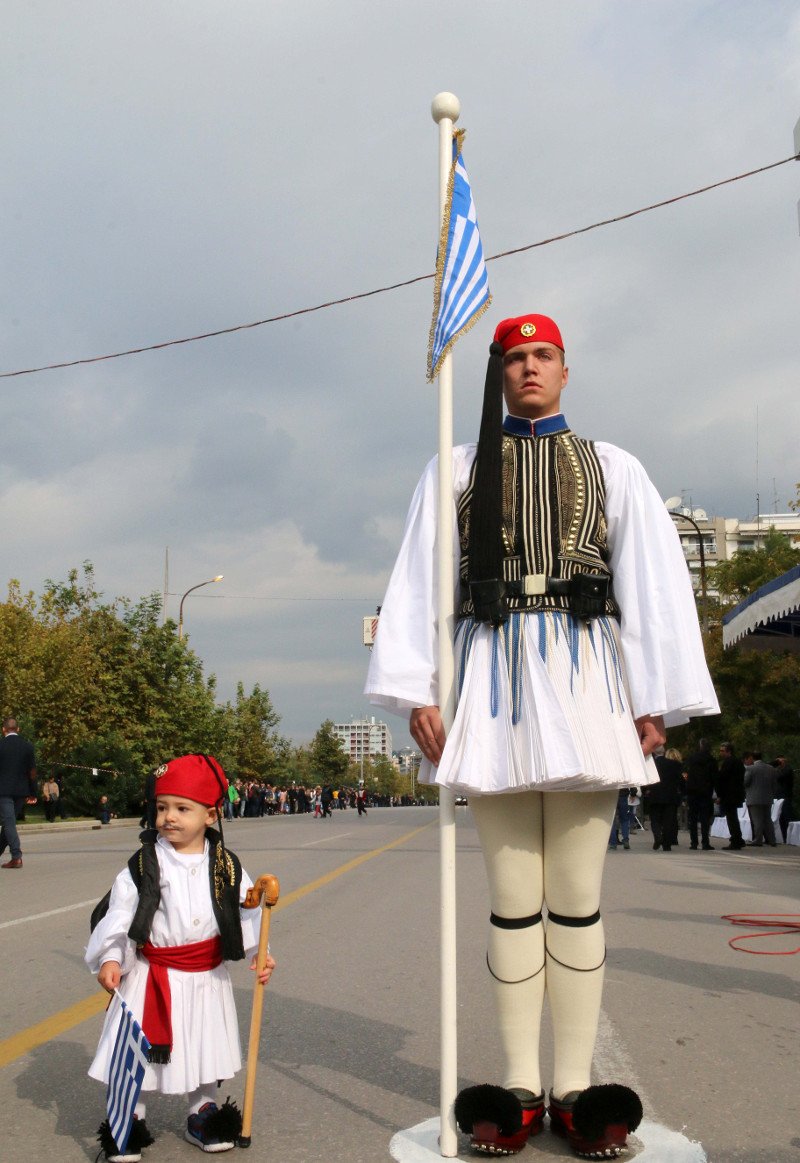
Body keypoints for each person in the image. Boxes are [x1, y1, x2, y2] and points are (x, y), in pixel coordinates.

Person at [366, 313, 718, 1158]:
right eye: (514, 357)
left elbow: (651, 583)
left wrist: (654, 698)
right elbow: (419, 578)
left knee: (576, 892)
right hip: (490, 680)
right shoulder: (456, 466)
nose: (529, 368)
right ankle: (520, 1088)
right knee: (514, 896)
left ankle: (577, 1087)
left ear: (566, 369)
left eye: (542, 356)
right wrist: (417, 685)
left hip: (588, 676)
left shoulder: (614, 467)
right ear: (497, 372)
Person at [85, 753, 276, 1161]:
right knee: (136, 1048)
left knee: (203, 1044)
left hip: (206, 976)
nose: (169, 817)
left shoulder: (225, 864)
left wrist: (261, 952)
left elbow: (247, 912)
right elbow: (120, 915)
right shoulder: (144, 864)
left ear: (210, 815)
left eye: (182, 809)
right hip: (153, 973)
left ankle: (202, 1110)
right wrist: (111, 958)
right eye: (162, 807)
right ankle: (128, 1117)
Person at [0, 716, 37, 869]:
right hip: (21, 792)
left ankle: (16, 857)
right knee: (9, 822)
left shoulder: (0, 745)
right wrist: (33, 792)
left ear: (3, 729)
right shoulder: (28, 746)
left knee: (8, 823)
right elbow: (32, 772)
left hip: (3, 791)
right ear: (18, 729)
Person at [684, 739, 717, 850]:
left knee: (693, 818)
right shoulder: (712, 760)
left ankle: (694, 842)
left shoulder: (692, 759)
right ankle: (705, 842)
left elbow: (687, 774)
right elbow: (715, 777)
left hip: (693, 791)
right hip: (706, 792)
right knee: (705, 818)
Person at [647, 748, 684, 851]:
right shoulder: (674, 764)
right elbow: (680, 780)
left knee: (655, 819)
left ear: (654, 752)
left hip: (655, 795)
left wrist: (646, 789)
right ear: (664, 752)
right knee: (668, 820)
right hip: (670, 796)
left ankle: (658, 836)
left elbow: (646, 778)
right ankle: (667, 844)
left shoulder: (651, 764)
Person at [743, 751, 778, 847]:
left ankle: (758, 840)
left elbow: (746, 782)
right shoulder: (771, 769)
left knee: (757, 820)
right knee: (768, 819)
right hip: (768, 798)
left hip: (754, 798)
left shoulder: (750, 768)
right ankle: (772, 840)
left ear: (752, 758)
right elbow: (774, 784)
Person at [716, 743, 746, 850]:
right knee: (733, 817)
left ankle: (735, 840)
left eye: (722, 751)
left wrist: (719, 794)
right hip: (736, 794)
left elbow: (722, 778)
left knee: (731, 818)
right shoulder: (738, 762)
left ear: (729, 751)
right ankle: (739, 839)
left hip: (729, 795)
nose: (721, 753)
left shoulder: (728, 763)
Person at [773, 756, 795, 843]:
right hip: (778, 796)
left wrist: (776, 768)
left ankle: (788, 837)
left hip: (785, 796)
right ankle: (782, 837)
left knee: (786, 816)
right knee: (780, 817)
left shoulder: (787, 769)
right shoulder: (778, 769)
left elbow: (780, 777)